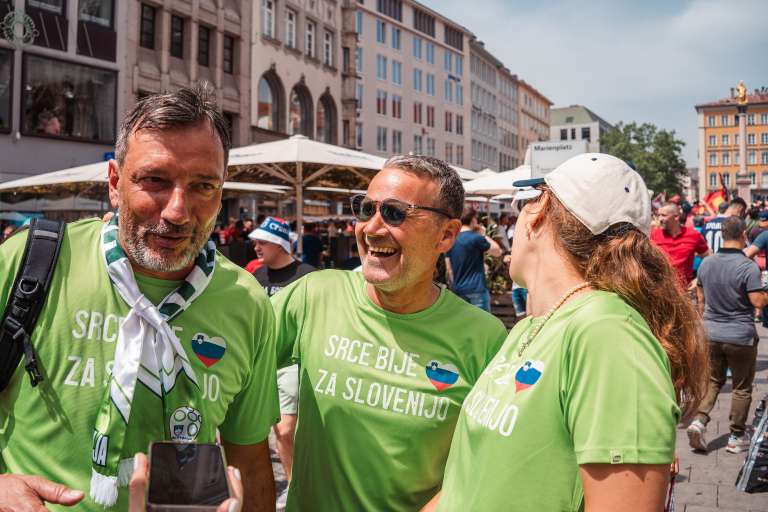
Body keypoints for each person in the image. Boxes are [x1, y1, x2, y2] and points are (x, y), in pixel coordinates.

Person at [0, 85, 279, 511]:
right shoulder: (30, 261)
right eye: (155, 180)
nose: (177, 212)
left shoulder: (246, 301)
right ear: (114, 182)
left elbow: (250, 457)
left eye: (204, 186)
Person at [428, 153, 708, 512]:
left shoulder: (608, 332)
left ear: (540, 212)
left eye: (522, 204)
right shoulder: (531, 327)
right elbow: (467, 483)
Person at [271, 155, 508, 511]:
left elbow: (487, 465)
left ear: (446, 234)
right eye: (366, 209)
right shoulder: (313, 296)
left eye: (395, 213)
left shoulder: (484, 338)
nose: (373, 228)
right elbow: (232, 370)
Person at [688, 216, 768, 453]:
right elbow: (758, 302)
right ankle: (736, 436)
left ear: (722, 234)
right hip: (740, 335)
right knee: (742, 387)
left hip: (712, 331)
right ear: (744, 234)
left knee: (713, 380)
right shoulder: (747, 267)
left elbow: (701, 300)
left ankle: (699, 420)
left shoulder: (707, 264)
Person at [248, 216, 315, 485]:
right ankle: (292, 482)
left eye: (262, 242)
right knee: (269, 431)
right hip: (261, 359)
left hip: (292, 361)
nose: (256, 247)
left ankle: (296, 487)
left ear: (279, 244)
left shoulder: (308, 276)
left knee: (285, 431)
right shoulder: (256, 275)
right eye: (255, 242)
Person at [445, 208, 502, 311]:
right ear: (472, 220)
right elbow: (497, 251)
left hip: (459, 290)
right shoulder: (476, 238)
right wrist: (483, 234)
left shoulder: (451, 240)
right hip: (477, 288)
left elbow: (449, 269)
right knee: (483, 324)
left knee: (464, 324)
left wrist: (454, 287)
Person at [650, 202, 710, 289]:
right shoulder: (653, 235)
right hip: (660, 292)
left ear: (676, 217)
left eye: (663, 215)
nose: (660, 219)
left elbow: (709, 257)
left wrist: (698, 279)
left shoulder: (693, 235)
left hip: (685, 293)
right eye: (659, 215)